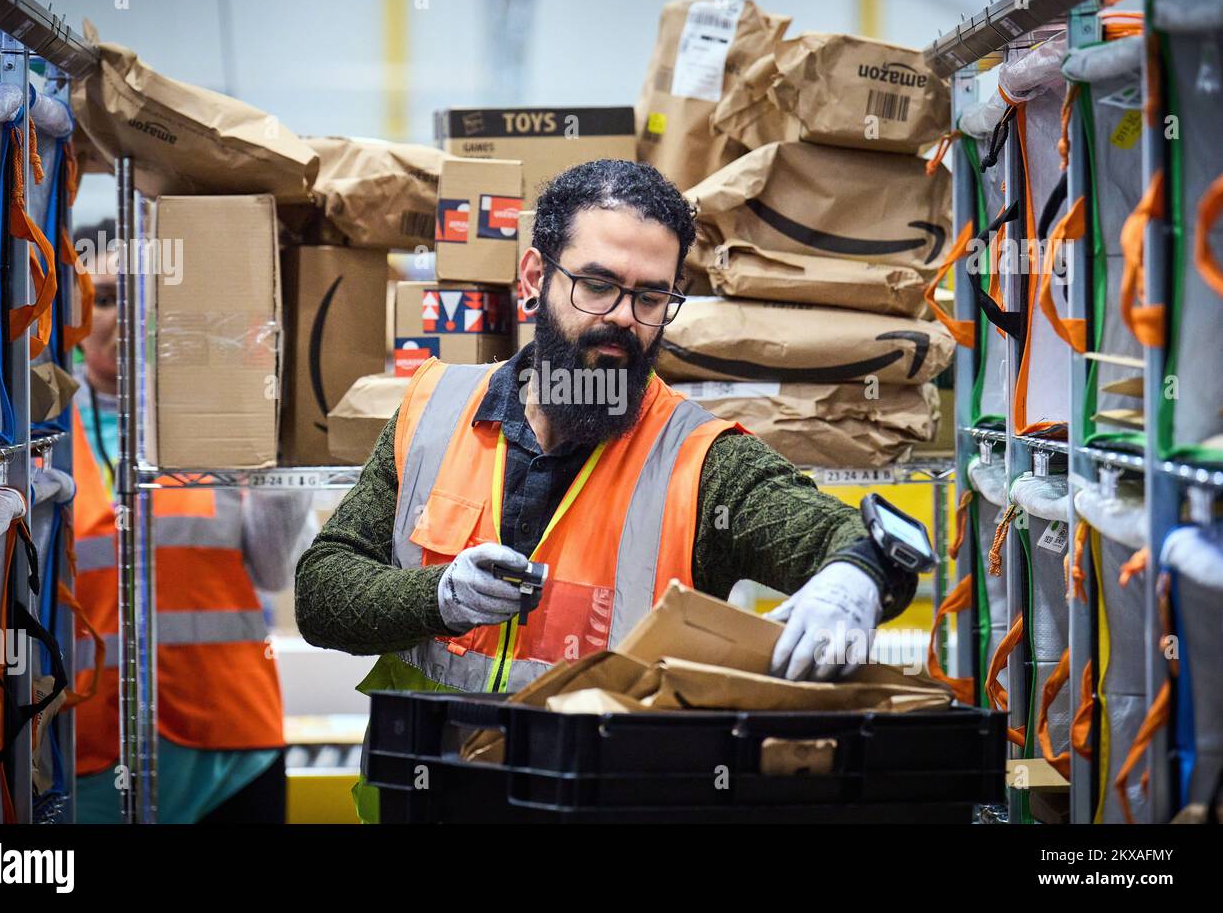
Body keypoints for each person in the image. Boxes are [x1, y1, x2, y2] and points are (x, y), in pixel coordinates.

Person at [295, 160, 920, 814]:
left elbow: (835, 537)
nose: (623, 318)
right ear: (536, 278)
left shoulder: (701, 463)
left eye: (651, 297)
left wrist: (859, 574)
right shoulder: (433, 412)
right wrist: (440, 596)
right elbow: (322, 593)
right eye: (598, 285)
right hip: (430, 797)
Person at [70, 221, 310, 823]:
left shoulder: (218, 419)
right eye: (102, 297)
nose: (122, 316)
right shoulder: (33, 435)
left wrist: (280, 434)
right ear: (67, 315)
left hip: (230, 748)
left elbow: (277, 570)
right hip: (85, 751)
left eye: (144, 297)